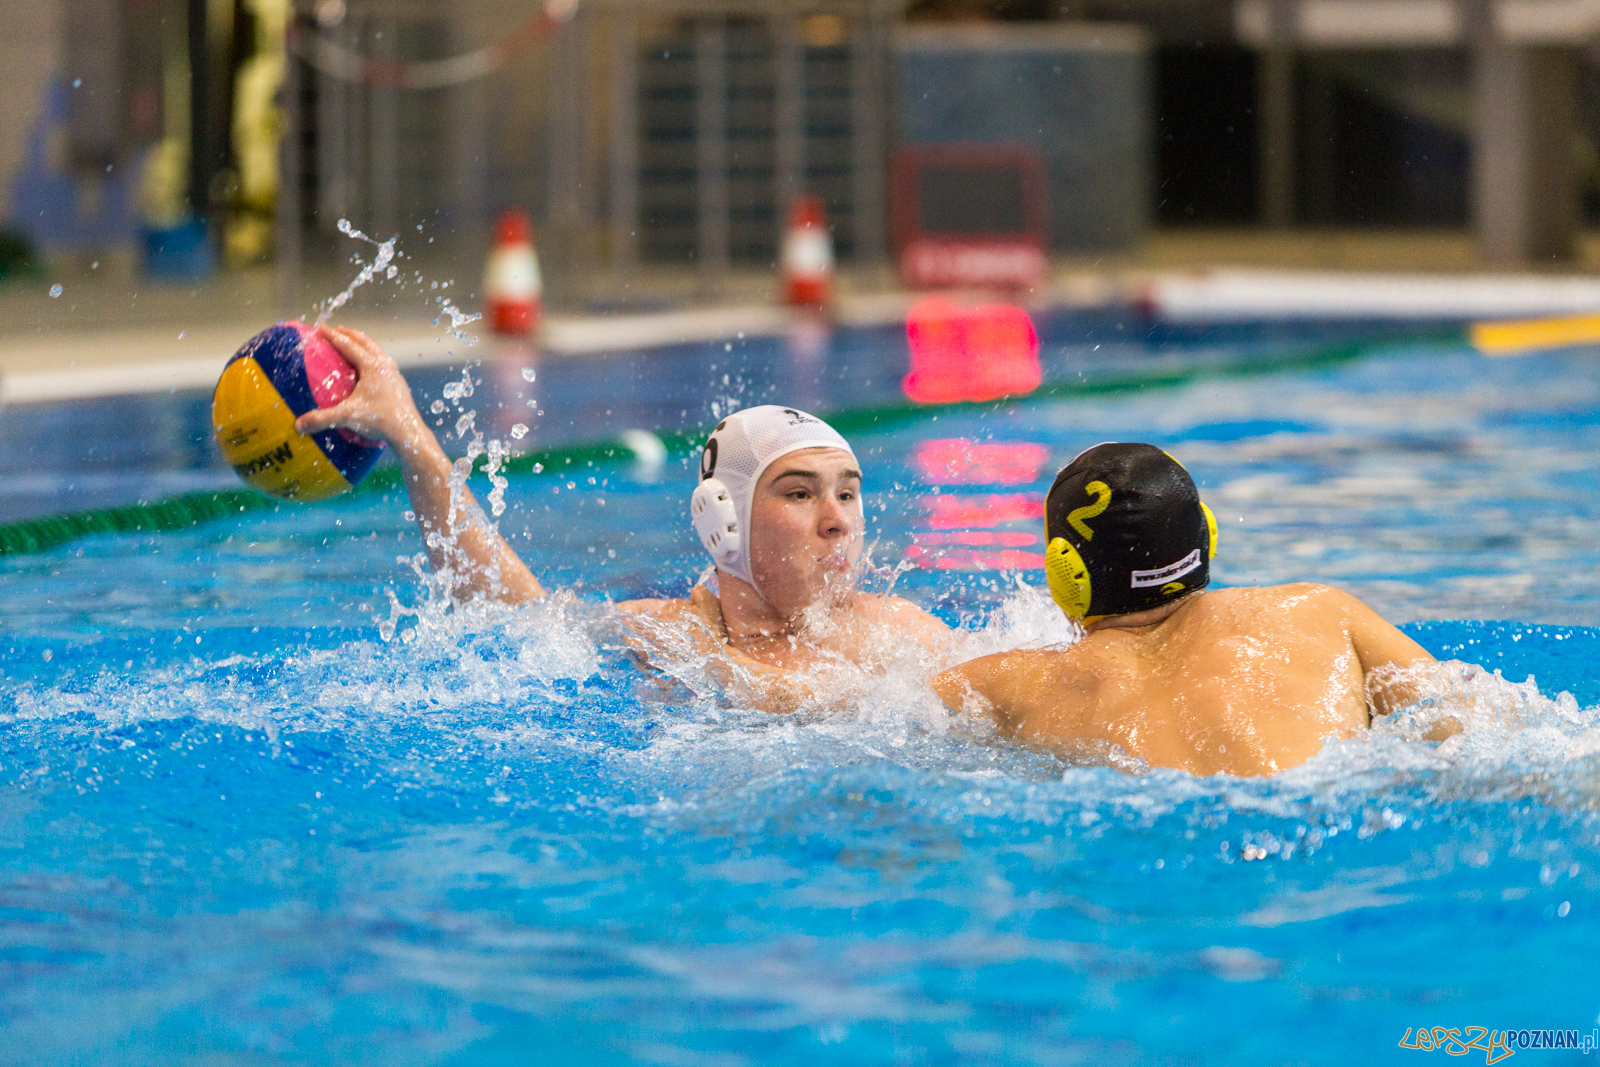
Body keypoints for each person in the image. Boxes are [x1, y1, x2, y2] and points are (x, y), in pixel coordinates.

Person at [295, 326, 951, 708]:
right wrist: (412, 436)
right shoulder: (671, 641)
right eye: (801, 493)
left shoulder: (906, 634)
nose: (838, 519)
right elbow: (505, 611)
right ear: (725, 521)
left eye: (848, 492)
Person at [933, 443, 1438, 777]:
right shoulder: (1321, 612)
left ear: (1067, 574)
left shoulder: (1000, 685)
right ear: (1206, 535)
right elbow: (1464, 722)